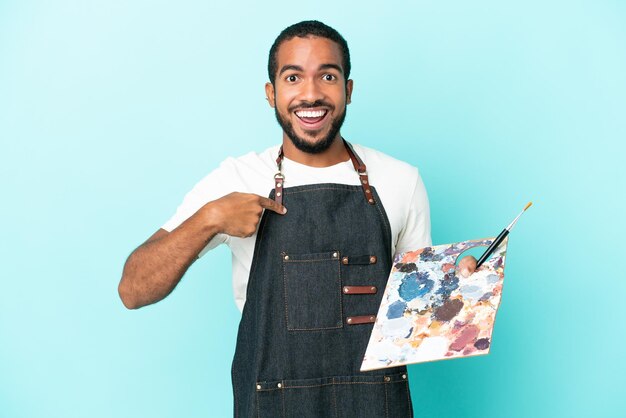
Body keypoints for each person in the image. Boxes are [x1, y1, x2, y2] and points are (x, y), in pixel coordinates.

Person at [118, 20, 477, 418]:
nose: (311, 93)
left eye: (328, 75)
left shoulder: (401, 180)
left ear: (348, 90)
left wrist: (458, 288)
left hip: (375, 404)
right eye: (293, 77)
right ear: (272, 93)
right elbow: (133, 291)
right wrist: (211, 217)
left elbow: (418, 322)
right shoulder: (236, 179)